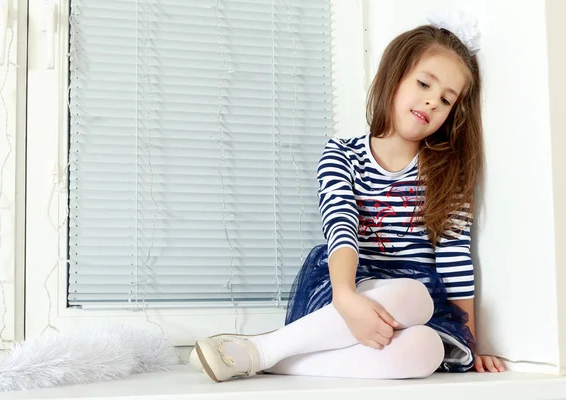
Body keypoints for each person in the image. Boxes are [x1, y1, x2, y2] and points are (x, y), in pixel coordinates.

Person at [192, 12, 506, 382]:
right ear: (394, 77)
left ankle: (271, 357)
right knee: (411, 295)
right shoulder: (342, 154)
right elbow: (341, 225)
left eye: (446, 99)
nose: (432, 102)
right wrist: (345, 295)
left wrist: (470, 342)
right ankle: (264, 348)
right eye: (423, 83)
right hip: (346, 289)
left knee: (428, 348)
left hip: (413, 309)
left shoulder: (447, 173)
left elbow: (455, 257)